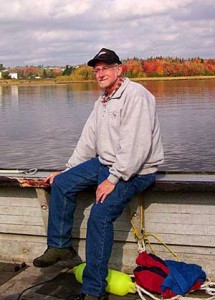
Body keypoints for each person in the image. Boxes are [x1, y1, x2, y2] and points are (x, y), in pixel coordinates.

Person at [33, 48, 164, 300]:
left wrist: (112, 179)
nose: (100, 73)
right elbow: (88, 140)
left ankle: (94, 290)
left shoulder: (136, 96)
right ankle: (61, 247)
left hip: (136, 170)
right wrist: (69, 169)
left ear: (119, 69)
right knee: (61, 183)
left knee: (100, 215)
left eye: (105, 68)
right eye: (96, 70)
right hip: (106, 162)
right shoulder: (103, 99)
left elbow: (136, 147)